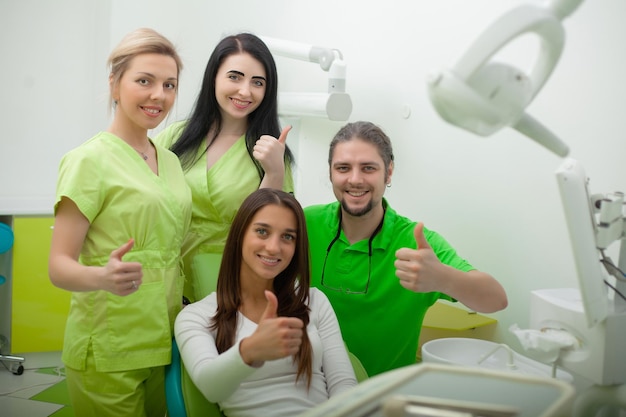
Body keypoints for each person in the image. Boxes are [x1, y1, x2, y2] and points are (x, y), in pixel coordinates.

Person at [48, 28, 192, 417]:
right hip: (109, 343)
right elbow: (58, 267)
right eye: (144, 81)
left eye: (169, 84)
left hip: (163, 339)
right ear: (114, 84)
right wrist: (102, 278)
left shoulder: (172, 162)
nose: (158, 95)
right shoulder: (88, 161)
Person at [304, 121, 508, 377]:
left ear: (388, 173)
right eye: (343, 168)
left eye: (368, 168)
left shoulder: (416, 243)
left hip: (382, 398)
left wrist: (443, 278)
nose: (355, 179)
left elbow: (496, 299)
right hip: (308, 390)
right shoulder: (304, 223)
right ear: (331, 173)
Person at [175, 188, 357, 417]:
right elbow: (211, 387)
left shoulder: (314, 300)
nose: (273, 247)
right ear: (239, 235)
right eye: (262, 231)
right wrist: (250, 351)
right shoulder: (196, 316)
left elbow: (344, 384)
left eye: (287, 237)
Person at [155, 33, 295, 303]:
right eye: (234, 77)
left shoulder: (272, 151)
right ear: (214, 78)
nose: (245, 91)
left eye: (257, 82)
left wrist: (275, 173)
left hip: (235, 287)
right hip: (169, 280)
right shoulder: (174, 139)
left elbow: (272, 229)